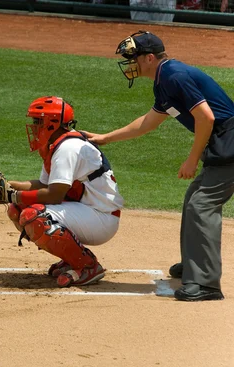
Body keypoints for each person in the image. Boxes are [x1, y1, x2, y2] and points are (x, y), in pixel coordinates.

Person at [86, 31, 234, 301]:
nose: (130, 64)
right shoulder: (163, 79)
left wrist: (191, 159)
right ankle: (194, 264)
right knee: (195, 198)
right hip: (223, 141)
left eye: (133, 58)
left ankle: (206, 285)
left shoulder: (173, 75)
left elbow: (206, 118)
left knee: (202, 205)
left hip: (228, 140)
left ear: (150, 58)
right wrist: (105, 137)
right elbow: (149, 121)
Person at [4, 96, 124, 288]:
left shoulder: (68, 148)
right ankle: (72, 257)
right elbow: (43, 185)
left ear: (52, 123)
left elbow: (54, 195)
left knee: (35, 217)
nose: (34, 127)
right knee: (17, 208)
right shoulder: (56, 144)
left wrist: (12, 194)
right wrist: (9, 186)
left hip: (101, 218)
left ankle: (87, 266)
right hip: (84, 210)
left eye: (38, 122)